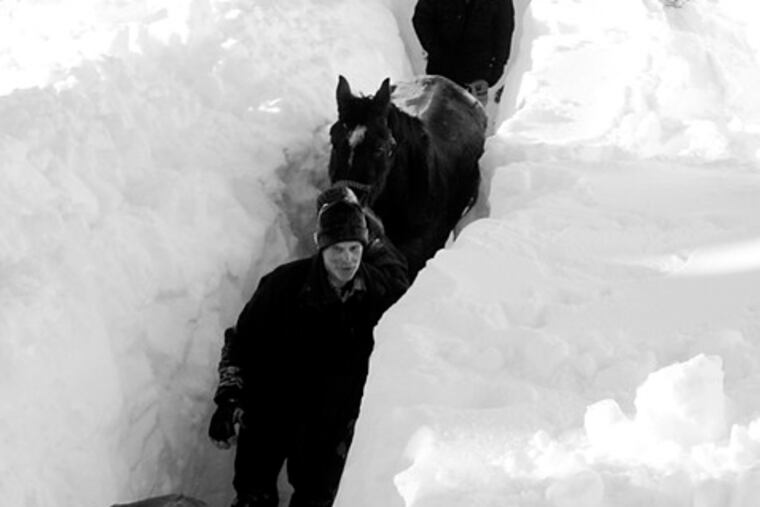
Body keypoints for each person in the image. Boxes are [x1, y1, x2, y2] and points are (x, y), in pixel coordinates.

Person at [208, 185, 409, 507]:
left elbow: (403, 352)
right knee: (253, 495)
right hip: (270, 410)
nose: (347, 260)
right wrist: (228, 399)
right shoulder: (282, 286)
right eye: (337, 250)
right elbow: (241, 342)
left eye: (354, 250)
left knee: (315, 499)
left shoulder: (380, 293)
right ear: (319, 247)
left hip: (328, 426)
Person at [412, 0, 515, 105]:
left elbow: (504, 30)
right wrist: (437, 52)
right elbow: (421, 19)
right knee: (439, 115)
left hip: (479, 73)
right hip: (443, 72)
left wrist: (496, 66)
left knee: (472, 117)